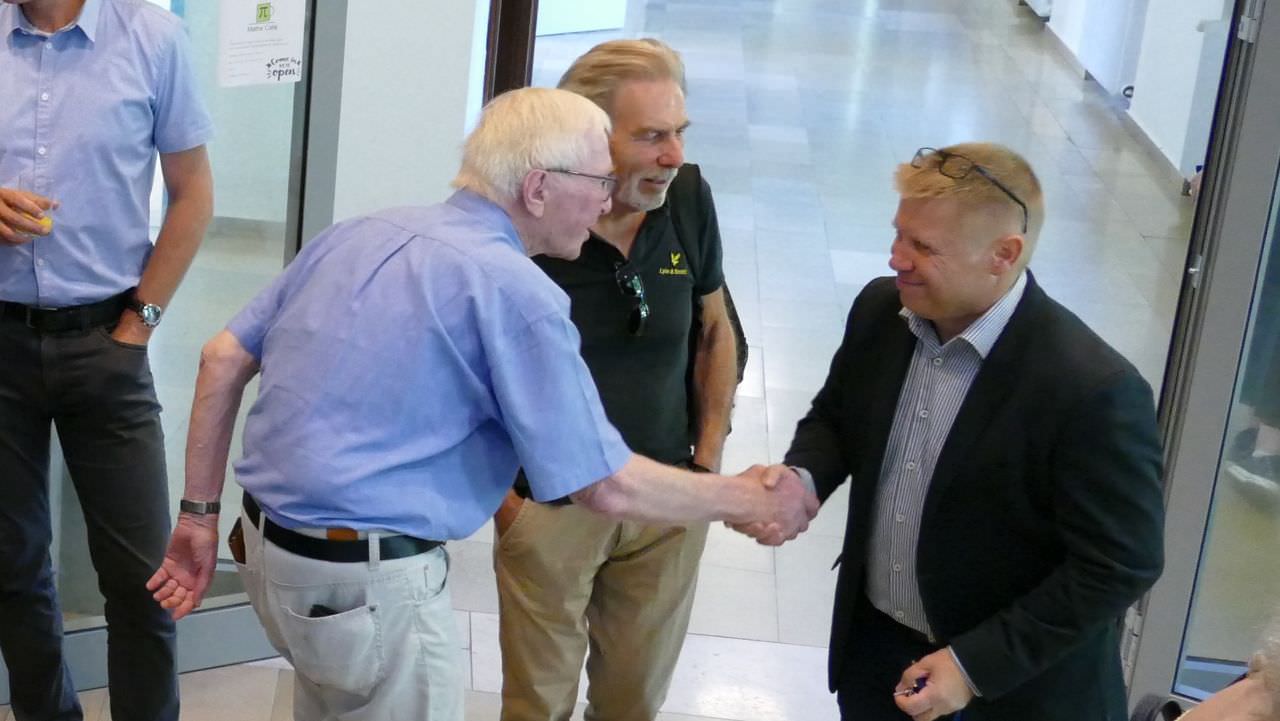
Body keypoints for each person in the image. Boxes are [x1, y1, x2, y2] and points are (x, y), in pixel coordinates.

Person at [145, 87, 817, 721]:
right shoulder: (518, 291)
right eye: (599, 181)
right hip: (366, 586)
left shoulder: (360, 232)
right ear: (538, 187)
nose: (606, 200)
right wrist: (743, 497)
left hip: (271, 558)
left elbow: (222, 357)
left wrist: (198, 516)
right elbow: (605, 484)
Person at [755, 143, 1166, 720]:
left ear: (1003, 254)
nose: (896, 259)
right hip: (878, 664)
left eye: (923, 247)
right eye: (898, 234)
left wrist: (973, 664)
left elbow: (1120, 565)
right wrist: (803, 480)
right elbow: (838, 416)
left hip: (1014, 694)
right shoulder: (881, 312)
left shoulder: (1092, 390)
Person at [491, 39, 738, 721]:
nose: (673, 156)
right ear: (591, 139)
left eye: (679, 133)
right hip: (553, 505)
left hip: (665, 496)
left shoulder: (687, 198)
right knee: (537, 705)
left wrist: (706, 466)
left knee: (634, 701)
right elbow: (472, 369)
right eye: (652, 136)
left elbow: (716, 332)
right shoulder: (530, 214)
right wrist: (510, 507)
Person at [0, 0, 214, 718]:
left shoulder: (153, 37)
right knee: (12, 568)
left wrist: (139, 325)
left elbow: (193, 195)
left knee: (142, 579)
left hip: (108, 344)